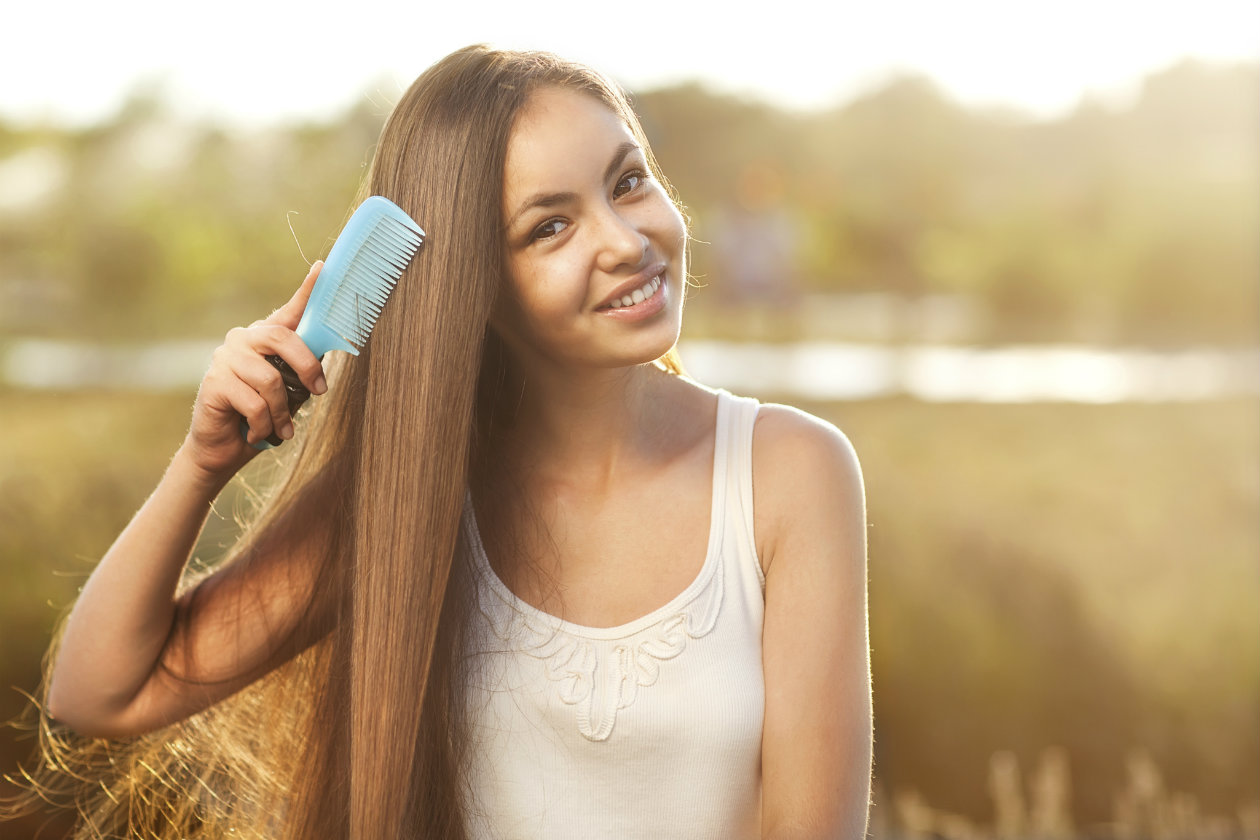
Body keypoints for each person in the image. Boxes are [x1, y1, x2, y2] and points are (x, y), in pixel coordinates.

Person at [12, 45, 871, 839]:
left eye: (628, 181)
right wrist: (200, 469)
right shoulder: (408, 501)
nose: (624, 240)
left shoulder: (791, 474)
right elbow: (99, 692)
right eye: (550, 227)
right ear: (476, 285)